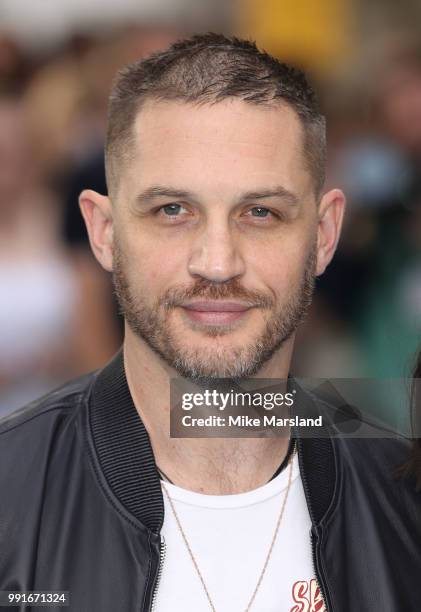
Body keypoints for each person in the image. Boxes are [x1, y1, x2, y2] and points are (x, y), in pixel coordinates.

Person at [0, 33, 420, 612]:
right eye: (172, 210)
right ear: (104, 232)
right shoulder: (10, 498)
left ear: (324, 235)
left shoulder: (405, 501)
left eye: (260, 212)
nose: (218, 263)